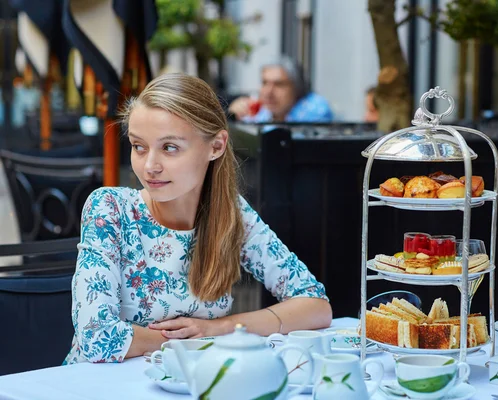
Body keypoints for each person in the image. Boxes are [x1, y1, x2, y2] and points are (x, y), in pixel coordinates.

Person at [64, 73, 332, 364]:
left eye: (169, 147)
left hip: (189, 385)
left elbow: (315, 306)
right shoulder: (110, 209)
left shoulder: (232, 213)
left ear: (216, 146)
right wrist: (199, 341)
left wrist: (221, 328)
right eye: (139, 146)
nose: (150, 166)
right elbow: (96, 339)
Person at [228, 56, 333, 123]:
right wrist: (233, 116)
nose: (268, 92)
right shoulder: (263, 110)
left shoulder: (315, 108)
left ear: (297, 87)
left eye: (279, 84)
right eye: (264, 83)